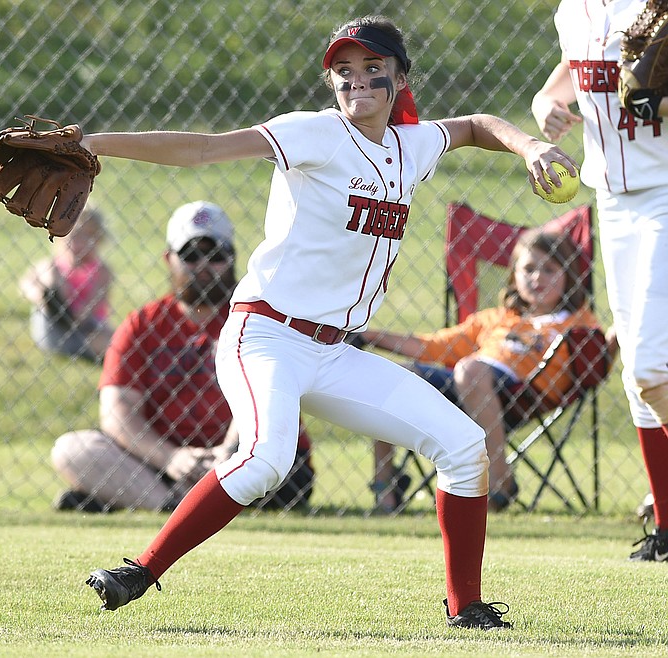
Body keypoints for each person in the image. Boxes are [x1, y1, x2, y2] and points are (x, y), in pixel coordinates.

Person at [80, 15, 577, 630]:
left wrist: (531, 146)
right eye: (344, 71)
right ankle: (142, 570)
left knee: (464, 445)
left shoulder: (410, 146)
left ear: (399, 79)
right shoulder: (314, 134)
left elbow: (476, 127)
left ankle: (466, 606)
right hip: (264, 335)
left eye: (373, 69)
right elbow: (204, 149)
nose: (357, 81)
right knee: (265, 458)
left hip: (333, 352)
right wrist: (94, 144)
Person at [51, 201, 314, 513]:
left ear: (232, 258)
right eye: (190, 255)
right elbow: (117, 412)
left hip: (249, 456)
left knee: (270, 462)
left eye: (215, 254)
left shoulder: (259, 318)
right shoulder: (142, 325)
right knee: (72, 449)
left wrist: (227, 453)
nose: (203, 264)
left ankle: (140, 497)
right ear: (169, 259)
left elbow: (270, 396)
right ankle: (171, 504)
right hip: (166, 462)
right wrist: (171, 457)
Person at [532, 0, 668, 562]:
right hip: (612, 201)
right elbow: (570, 70)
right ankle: (666, 524)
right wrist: (546, 104)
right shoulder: (575, 10)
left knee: (651, 366)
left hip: (665, 191)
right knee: (639, 377)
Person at [358, 230, 601, 512]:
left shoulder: (577, 323)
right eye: (529, 269)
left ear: (569, 275)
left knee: (470, 369)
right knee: (393, 379)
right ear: (513, 275)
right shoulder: (495, 319)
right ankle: (385, 491)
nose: (537, 278)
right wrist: (367, 335)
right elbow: (434, 347)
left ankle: (499, 480)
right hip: (465, 387)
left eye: (549, 269)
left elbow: (598, 357)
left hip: (522, 395)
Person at [18, 205, 114, 363]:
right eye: (73, 236)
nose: (79, 243)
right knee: (49, 271)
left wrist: (76, 312)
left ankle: (116, 354)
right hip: (55, 328)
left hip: (87, 329)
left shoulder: (102, 272)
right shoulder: (53, 267)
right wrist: (40, 295)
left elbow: (90, 310)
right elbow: (26, 284)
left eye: (87, 236)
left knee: (111, 338)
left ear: (99, 240)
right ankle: (55, 301)